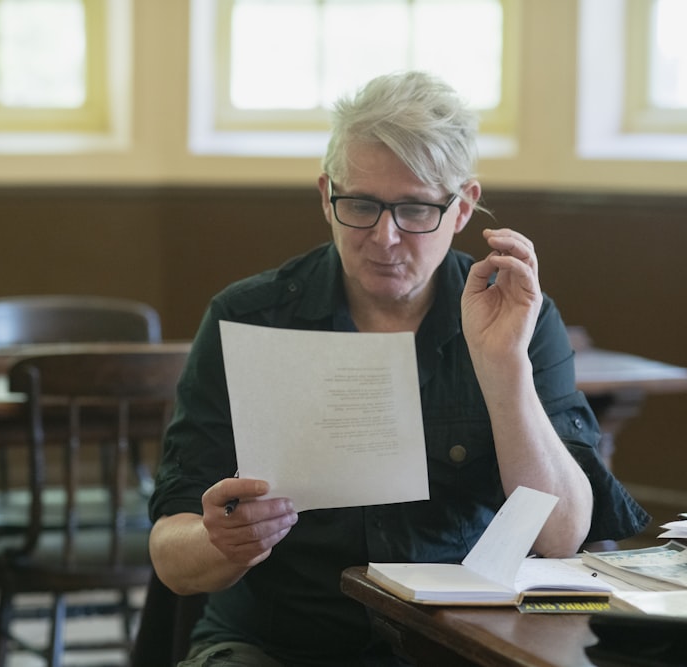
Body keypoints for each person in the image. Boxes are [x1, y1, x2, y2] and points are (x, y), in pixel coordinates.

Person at [147, 70, 649, 667]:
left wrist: (503, 367)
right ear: (325, 195)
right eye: (359, 204)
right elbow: (170, 557)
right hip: (279, 643)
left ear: (462, 206)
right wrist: (220, 542)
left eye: (414, 209)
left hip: (458, 641)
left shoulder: (515, 315)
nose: (384, 238)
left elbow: (560, 535)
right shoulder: (251, 316)